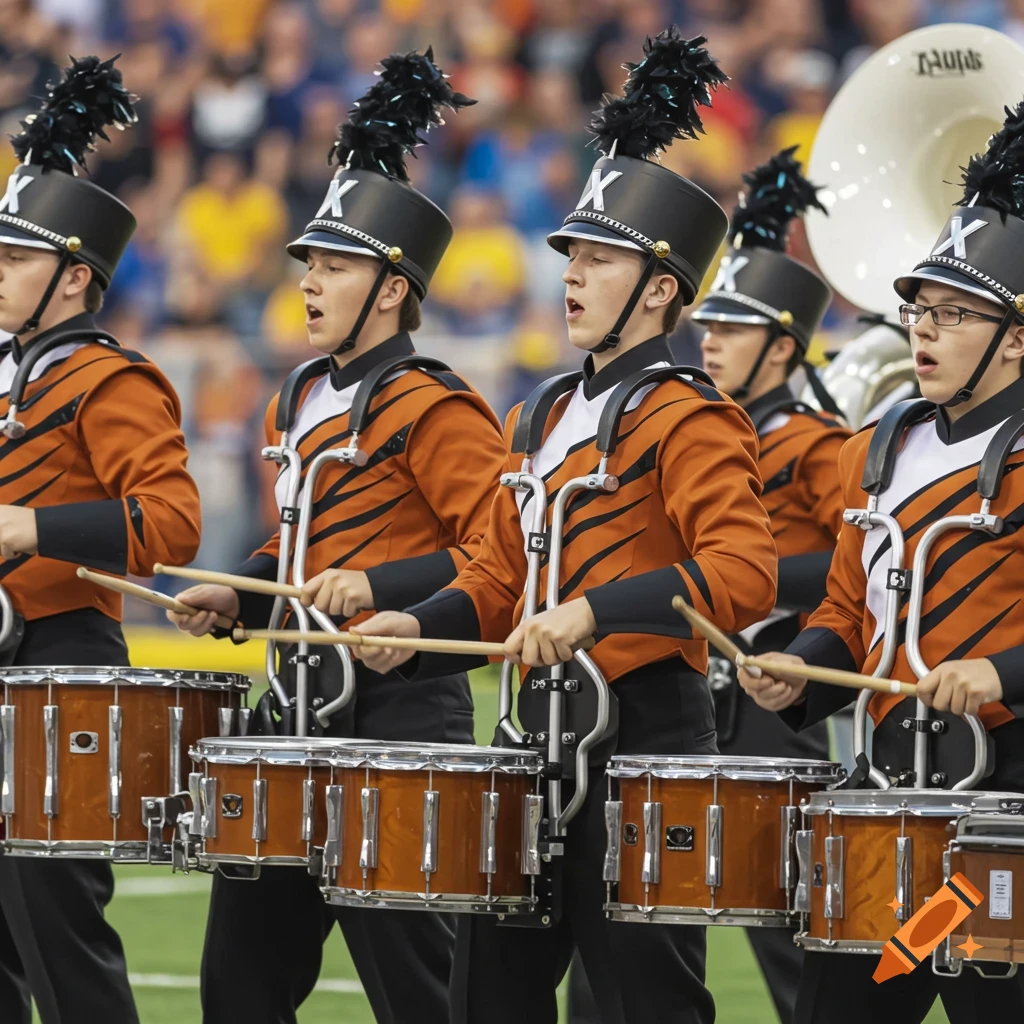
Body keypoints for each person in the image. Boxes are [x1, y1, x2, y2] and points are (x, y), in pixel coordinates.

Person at [354, 30, 778, 1024]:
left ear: (663, 288)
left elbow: (743, 574)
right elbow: (498, 576)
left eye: (600, 259)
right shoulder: (538, 414)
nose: (573, 275)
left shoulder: (694, 411)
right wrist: (416, 636)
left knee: (644, 1004)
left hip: (644, 738)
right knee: (483, 1000)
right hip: (527, 741)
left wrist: (594, 611)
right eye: (572, 255)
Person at [167, 49, 507, 1024]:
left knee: (419, 986)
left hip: (399, 720)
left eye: (333, 265)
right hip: (289, 717)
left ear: (392, 286)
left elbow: (500, 553)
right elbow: (298, 544)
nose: (309, 281)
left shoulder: (436, 405)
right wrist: (241, 586)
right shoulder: (297, 396)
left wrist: (381, 585)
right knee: (237, 983)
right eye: (306, 263)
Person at [738, 100, 1024, 1024]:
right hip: (885, 802)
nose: (923, 331)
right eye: (919, 311)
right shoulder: (880, 448)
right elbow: (849, 613)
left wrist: (995, 670)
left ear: (1017, 337)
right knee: (845, 1008)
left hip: (1004, 816)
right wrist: (803, 675)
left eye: (953, 314)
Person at [0, 56, 201, 1024]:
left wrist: (27, 525)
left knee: (55, 930)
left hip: (62, 664)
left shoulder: (112, 380)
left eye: (15, 259)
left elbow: (169, 524)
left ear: (74, 276)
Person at [689, 147, 850, 1021]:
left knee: (780, 908)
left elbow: (855, 562)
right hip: (697, 678)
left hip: (774, 685)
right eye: (706, 325)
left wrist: (735, 581)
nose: (708, 340)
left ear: (782, 347)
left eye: (733, 329)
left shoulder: (815, 442)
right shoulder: (706, 432)